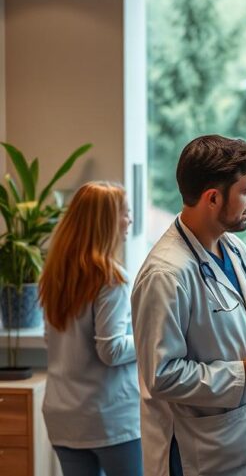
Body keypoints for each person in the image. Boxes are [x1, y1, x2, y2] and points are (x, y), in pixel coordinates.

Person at [132, 135, 246, 476]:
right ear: (213, 198)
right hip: (200, 452)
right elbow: (161, 376)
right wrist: (245, 369)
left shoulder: (235, 250)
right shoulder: (166, 274)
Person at [39, 182, 141, 476]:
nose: (130, 220)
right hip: (108, 417)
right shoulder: (110, 277)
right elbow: (110, 350)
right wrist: (149, 339)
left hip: (62, 414)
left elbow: (51, 338)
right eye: (126, 212)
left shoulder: (55, 274)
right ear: (107, 220)